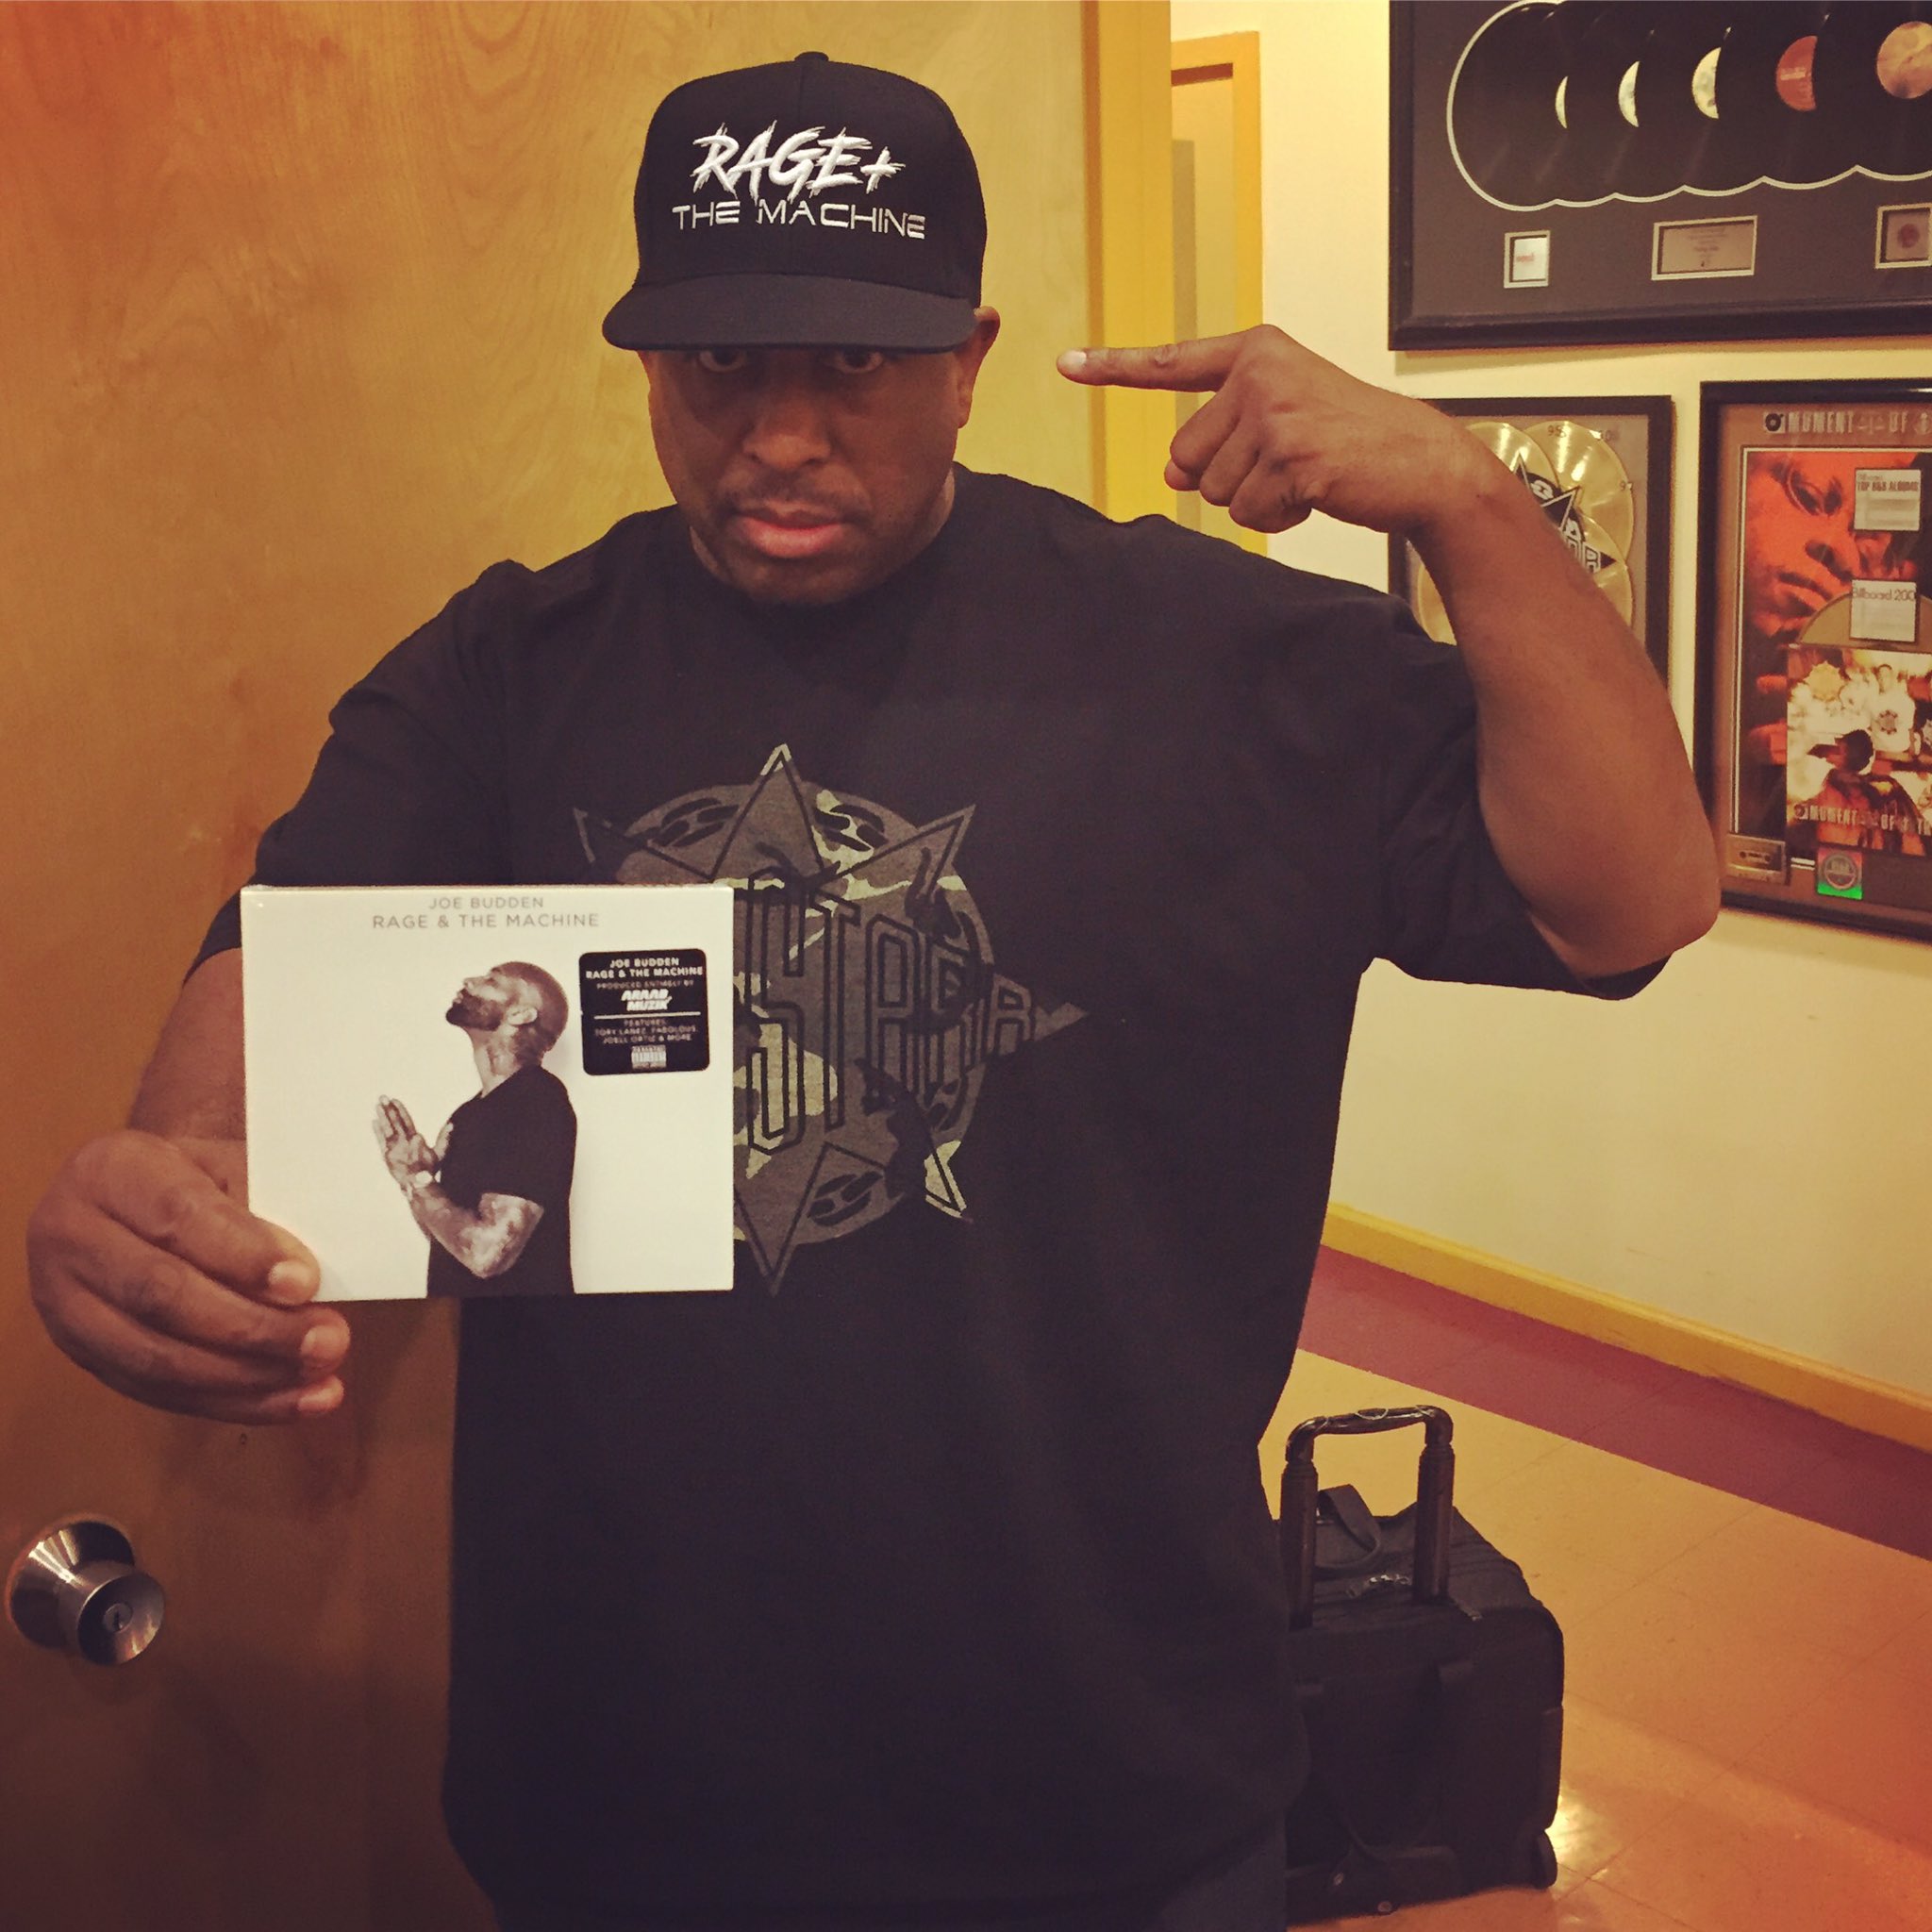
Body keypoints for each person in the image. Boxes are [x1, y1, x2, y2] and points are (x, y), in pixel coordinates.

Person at [24, 52, 1718, 1932]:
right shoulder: (506, 672)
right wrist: (164, 1186)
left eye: (851, 364)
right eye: (717, 365)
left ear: (968, 357)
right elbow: (273, 975)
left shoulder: (1231, 665)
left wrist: (1471, 506)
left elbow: (1629, 901)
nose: (778, 438)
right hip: (620, 1793)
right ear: (648, 363)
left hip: (1111, 1797)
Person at [375, 961, 577, 1299]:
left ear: (521, 1014)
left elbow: (487, 1254)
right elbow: (451, 1242)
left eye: (491, 980)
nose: (469, 980)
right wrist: (414, 1180)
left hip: (523, 1328)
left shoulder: (538, 1098)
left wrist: (419, 1181)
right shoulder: (468, 1114)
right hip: (464, 1324)